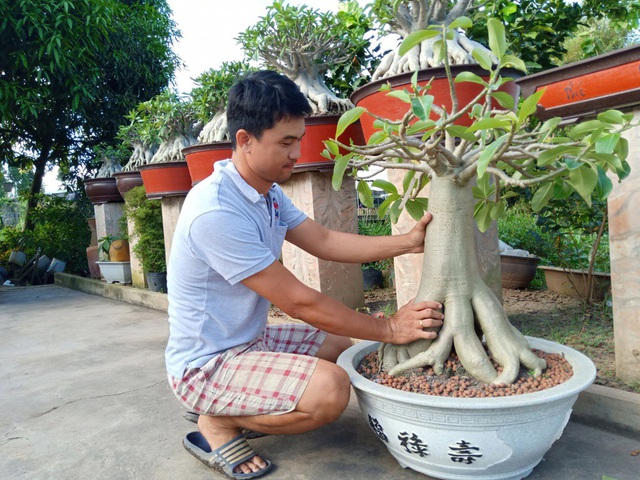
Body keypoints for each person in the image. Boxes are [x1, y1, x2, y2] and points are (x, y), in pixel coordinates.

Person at [165, 70, 444, 479]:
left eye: (298, 139)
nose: (298, 152)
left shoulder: (266, 192)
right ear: (245, 140)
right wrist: (387, 328)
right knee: (330, 391)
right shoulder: (216, 211)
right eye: (286, 142)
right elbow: (298, 301)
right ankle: (218, 422)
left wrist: (406, 242)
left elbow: (326, 241)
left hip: (249, 342)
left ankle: (238, 407)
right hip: (206, 365)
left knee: (337, 342)